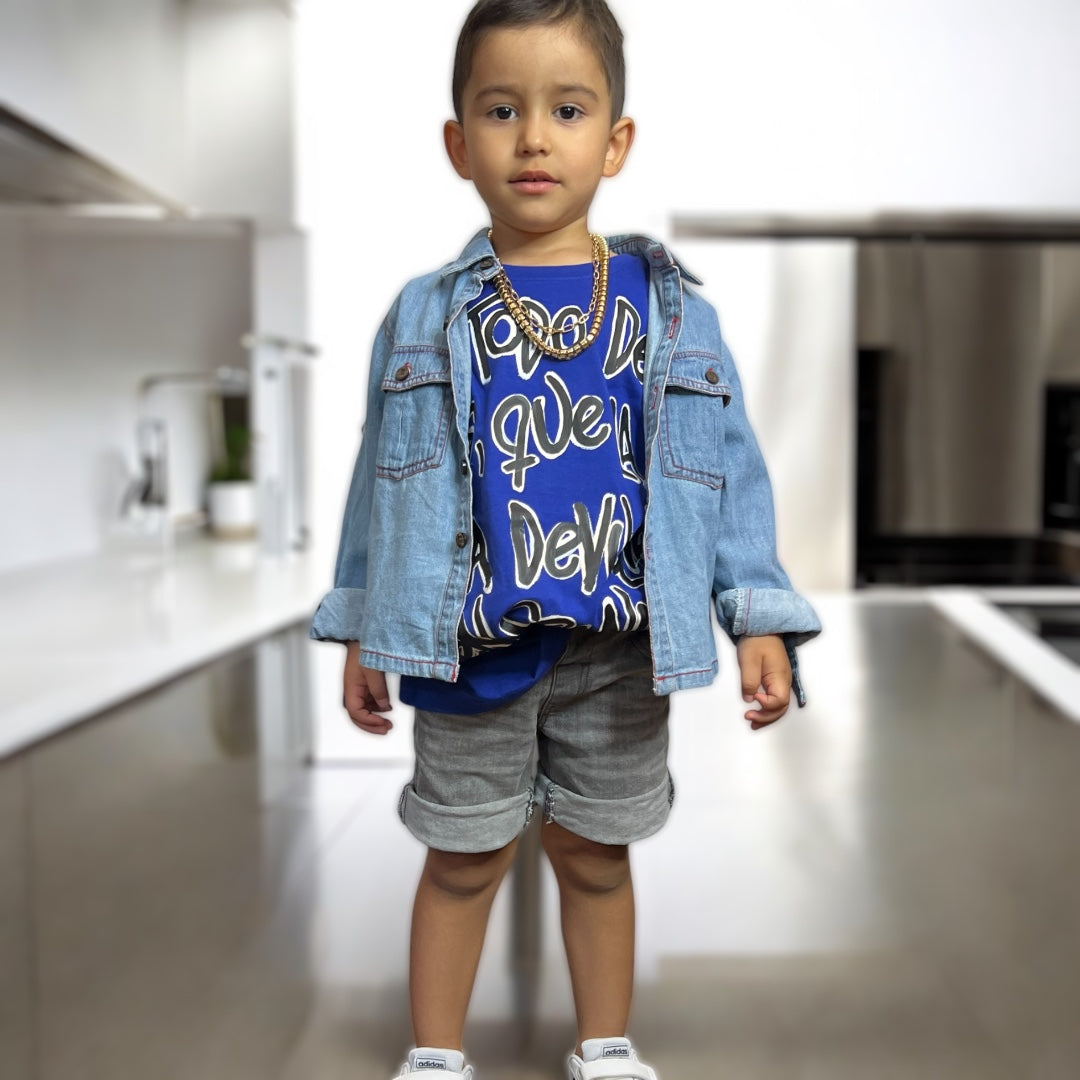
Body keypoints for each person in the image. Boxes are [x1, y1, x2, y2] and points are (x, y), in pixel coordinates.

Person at [310, 1, 821, 1077]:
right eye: (501, 110)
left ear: (615, 142)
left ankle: (606, 1045)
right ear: (459, 144)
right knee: (463, 858)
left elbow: (726, 473)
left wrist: (758, 616)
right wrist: (360, 623)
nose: (534, 137)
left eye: (568, 110)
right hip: (469, 651)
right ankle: (436, 1056)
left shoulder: (672, 313)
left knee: (596, 854)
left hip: (617, 655)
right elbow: (379, 479)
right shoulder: (422, 315)